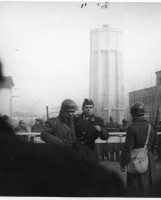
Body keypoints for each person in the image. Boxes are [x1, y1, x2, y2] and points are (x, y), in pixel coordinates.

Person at [0, 60, 125, 197]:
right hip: (66, 154)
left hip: (88, 152)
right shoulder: (68, 120)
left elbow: (100, 136)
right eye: (86, 108)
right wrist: (61, 144)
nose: (87, 110)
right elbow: (46, 134)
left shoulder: (93, 120)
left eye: (90, 108)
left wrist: (100, 130)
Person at [120, 102, 156, 197]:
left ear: (132, 114)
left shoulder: (132, 128)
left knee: (134, 188)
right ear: (143, 113)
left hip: (134, 159)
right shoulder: (151, 126)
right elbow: (154, 144)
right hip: (148, 157)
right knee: (147, 186)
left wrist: (122, 163)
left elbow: (128, 148)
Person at [74, 98, 109, 162]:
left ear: (93, 109)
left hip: (90, 150)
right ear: (82, 108)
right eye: (86, 107)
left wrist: (101, 131)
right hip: (77, 150)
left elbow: (105, 137)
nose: (88, 109)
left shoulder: (98, 120)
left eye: (91, 107)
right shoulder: (76, 119)